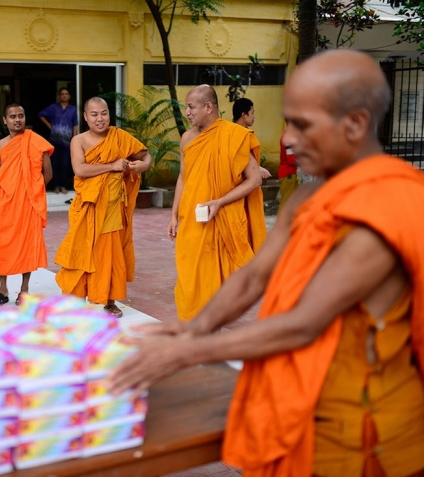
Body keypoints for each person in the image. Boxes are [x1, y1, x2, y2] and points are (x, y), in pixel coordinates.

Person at [108, 50, 424, 476]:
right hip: (298, 403)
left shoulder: (385, 207)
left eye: (303, 124)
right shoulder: (309, 199)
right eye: (289, 121)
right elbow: (254, 277)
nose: (288, 139)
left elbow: (304, 323)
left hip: (363, 430)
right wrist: (193, 326)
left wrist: (187, 351)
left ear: (355, 124)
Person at [169, 85, 266, 321]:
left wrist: (220, 202)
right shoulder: (187, 138)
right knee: (189, 277)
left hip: (221, 220)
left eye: (191, 107)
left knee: (216, 281)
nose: (187, 113)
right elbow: (184, 177)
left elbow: (254, 180)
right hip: (192, 219)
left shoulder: (234, 136)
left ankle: (208, 332)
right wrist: (174, 215)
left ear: (208, 107)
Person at [54, 97, 152, 318]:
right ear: (86, 117)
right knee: (81, 252)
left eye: (104, 113)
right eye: (95, 114)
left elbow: (146, 155)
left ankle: (109, 301)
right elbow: (80, 169)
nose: (100, 119)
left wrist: (143, 165)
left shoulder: (119, 137)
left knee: (110, 255)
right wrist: (113, 166)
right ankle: (76, 301)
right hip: (88, 207)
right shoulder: (78, 140)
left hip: (113, 209)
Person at [0, 103, 53, 306]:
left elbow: (48, 173)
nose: (17, 119)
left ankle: (24, 289)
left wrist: (30, 190)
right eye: (12, 116)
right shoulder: (1, 145)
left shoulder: (36, 141)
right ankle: (2, 289)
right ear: (5, 120)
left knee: (25, 245)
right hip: (3, 203)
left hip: (27, 204)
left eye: (20, 115)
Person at [38, 87, 79, 194]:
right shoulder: (53, 107)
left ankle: (63, 186)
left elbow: (75, 124)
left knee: (65, 164)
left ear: (69, 96)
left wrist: (74, 138)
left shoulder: (73, 109)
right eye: (62, 94)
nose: (64, 95)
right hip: (54, 141)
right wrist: (50, 125)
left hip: (67, 141)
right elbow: (41, 114)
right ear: (59, 96)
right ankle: (56, 186)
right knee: (54, 163)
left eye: (66, 94)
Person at [232, 97, 272, 180]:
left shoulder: (239, 132)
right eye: (252, 113)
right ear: (244, 115)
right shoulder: (236, 134)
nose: (254, 117)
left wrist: (257, 167)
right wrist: (257, 169)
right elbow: (240, 159)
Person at [278, 134, 299, 211]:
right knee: (286, 203)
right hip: (288, 174)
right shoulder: (289, 138)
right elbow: (291, 160)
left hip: (290, 174)